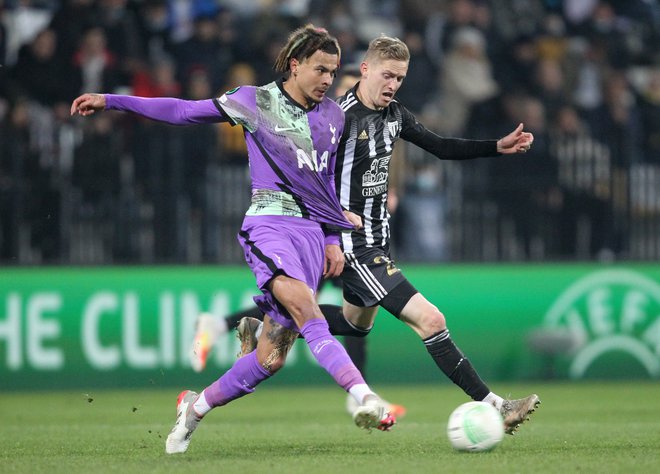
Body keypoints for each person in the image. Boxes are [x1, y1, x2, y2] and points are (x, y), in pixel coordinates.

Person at [70, 25, 395, 455]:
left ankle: (194, 406)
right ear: (295, 65)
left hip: (311, 239)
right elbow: (183, 111)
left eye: (333, 72)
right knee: (309, 312)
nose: (327, 80)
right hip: (270, 227)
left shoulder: (332, 116)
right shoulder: (254, 101)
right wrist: (112, 100)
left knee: (269, 359)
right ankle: (364, 396)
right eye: (320, 69)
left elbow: (327, 183)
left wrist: (333, 237)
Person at [236, 35, 541, 435]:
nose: (393, 85)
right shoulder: (338, 117)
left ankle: (263, 324)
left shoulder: (395, 115)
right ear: (365, 70)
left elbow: (441, 146)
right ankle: (496, 404)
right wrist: (331, 222)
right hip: (352, 244)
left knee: (355, 323)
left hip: (379, 241)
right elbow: (305, 173)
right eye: (387, 75)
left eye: (400, 77)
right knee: (431, 319)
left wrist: (495, 147)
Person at [188, 64, 408, 419]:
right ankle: (361, 395)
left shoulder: (369, 128)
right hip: (316, 231)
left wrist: (387, 193)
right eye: (346, 91)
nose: (349, 99)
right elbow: (315, 180)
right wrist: (335, 224)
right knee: (310, 309)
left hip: (347, 234)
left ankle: (229, 326)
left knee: (347, 316)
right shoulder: (322, 125)